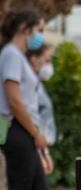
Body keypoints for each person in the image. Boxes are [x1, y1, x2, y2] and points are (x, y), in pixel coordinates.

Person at [0, 10, 50, 190]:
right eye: (37, 28)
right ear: (24, 28)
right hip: (16, 129)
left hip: (23, 129)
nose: (39, 34)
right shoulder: (10, 54)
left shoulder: (18, 56)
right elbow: (14, 99)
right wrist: (34, 132)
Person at [26, 44, 56, 173]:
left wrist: (44, 152)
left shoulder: (36, 85)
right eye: (47, 60)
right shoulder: (25, 84)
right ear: (33, 58)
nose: (48, 65)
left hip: (36, 145)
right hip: (28, 144)